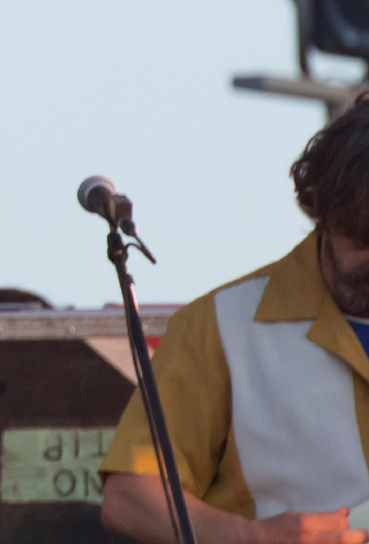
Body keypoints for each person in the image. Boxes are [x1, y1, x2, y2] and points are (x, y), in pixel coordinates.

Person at [100, 96, 369, 544]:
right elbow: (129, 497)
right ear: (321, 207)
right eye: (363, 237)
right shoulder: (218, 326)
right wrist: (250, 537)